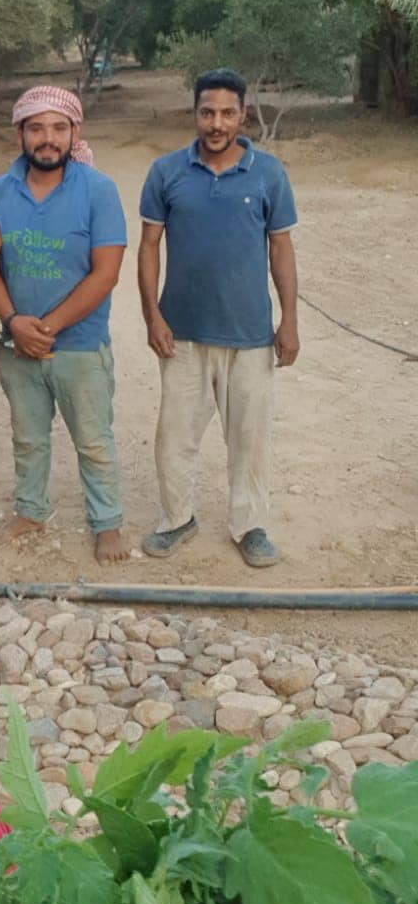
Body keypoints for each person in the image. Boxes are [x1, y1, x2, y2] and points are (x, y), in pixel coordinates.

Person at [138, 67, 300, 568]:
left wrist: (289, 320)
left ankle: (249, 526)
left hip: (250, 334)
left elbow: (281, 248)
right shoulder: (166, 172)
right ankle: (176, 519)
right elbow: (148, 247)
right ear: (195, 113)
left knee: (250, 438)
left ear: (243, 115)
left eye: (228, 113)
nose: (217, 123)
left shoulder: (268, 173)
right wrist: (152, 316)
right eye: (208, 112)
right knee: (174, 437)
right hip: (181, 333)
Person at [0, 85, 130, 565]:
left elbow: (106, 273)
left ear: (74, 133)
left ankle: (107, 522)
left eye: (58, 128)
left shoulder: (98, 190)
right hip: (17, 345)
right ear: (20, 134)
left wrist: (44, 328)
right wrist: (13, 322)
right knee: (28, 437)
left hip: (80, 346)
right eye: (36, 128)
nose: (48, 138)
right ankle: (30, 511)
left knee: (93, 440)